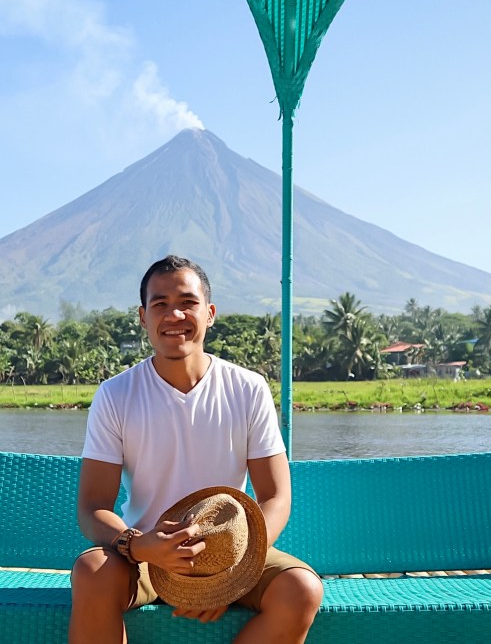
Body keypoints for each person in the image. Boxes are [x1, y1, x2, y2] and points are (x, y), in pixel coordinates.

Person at [69, 255, 323, 644]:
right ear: (143, 317)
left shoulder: (248, 389)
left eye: (188, 302)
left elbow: (276, 496)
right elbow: (92, 507)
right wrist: (137, 544)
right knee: (92, 572)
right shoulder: (115, 394)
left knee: (301, 589)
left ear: (210, 313)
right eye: (160, 304)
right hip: (145, 556)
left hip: (232, 550)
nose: (175, 315)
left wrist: (232, 568)